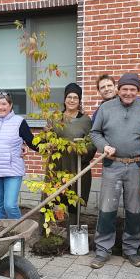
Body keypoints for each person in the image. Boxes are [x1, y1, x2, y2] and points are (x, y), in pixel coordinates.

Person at [90, 73, 140, 269]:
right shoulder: (105, 108)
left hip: (135, 166)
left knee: (134, 210)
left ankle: (131, 250)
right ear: (118, 89)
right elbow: (95, 132)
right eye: (124, 89)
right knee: (107, 209)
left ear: (137, 91)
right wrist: (103, 146)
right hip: (112, 166)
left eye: (132, 89)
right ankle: (102, 250)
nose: (128, 93)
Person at [0, 91, 38, 219]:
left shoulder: (19, 122)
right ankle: (2, 235)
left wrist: (51, 147)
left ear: (10, 105)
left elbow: (32, 142)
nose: (0, 107)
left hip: (12, 170)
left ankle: (19, 233)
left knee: (9, 205)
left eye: (4, 104)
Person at [54, 83, 96, 228]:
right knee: (54, 200)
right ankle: (50, 234)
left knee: (74, 201)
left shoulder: (85, 121)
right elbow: (45, 140)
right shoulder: (55, 118)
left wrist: (83, 151)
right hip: (58, 166)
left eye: (75, 98)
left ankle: (72, 234)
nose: (72, 100)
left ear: (79, 101)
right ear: (65, 99)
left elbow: (92, 143)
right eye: (69, 97)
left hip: (77, 166)